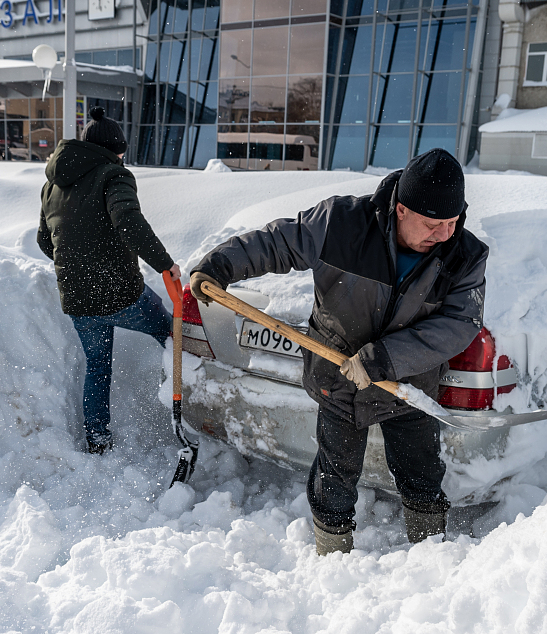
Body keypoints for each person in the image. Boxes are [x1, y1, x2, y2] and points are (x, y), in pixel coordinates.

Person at [188, 148, 488, 553]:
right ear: (401, 208)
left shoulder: (464, 255)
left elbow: (458, 324)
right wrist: (222, 264)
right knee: (335, 478)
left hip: (408, 387)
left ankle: (430, 557)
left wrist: (386, 359)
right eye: (433, 224)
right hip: (339, 380)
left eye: (452, 222)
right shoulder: (340, 224)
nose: (444, 234)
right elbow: (278, 242)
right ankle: (332, 557)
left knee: (422, 477)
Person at [37, 106, 181, 455]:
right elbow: (128, 222)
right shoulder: (114, 175)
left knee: (98, 367)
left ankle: (97, 439)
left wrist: (78, 264)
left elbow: (45, 241)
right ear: (115, 150)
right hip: (121, 294)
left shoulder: (52, 184)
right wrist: (166, 264)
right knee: (173, 334)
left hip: (78, 301)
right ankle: (193, 410)